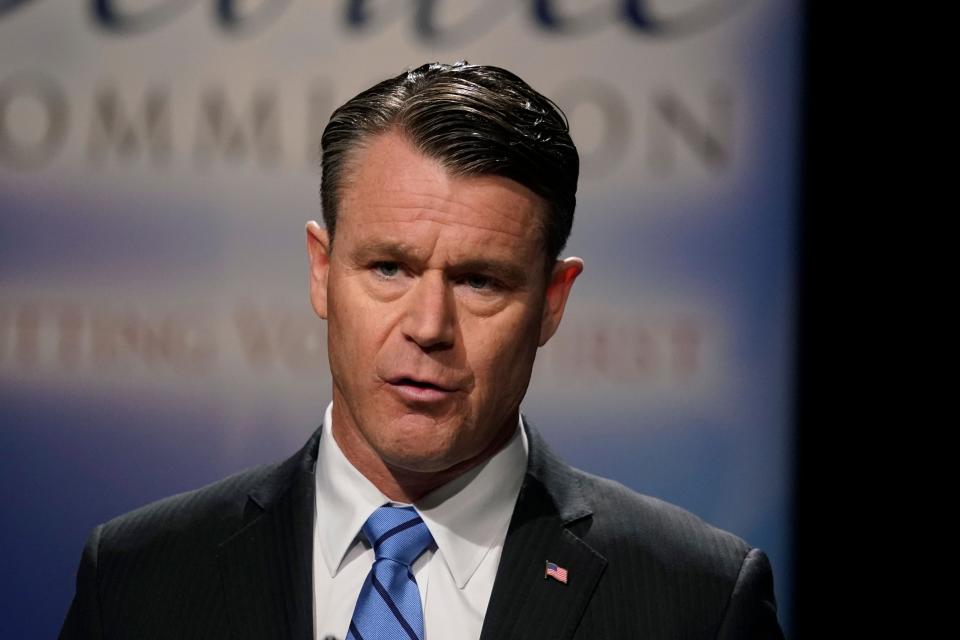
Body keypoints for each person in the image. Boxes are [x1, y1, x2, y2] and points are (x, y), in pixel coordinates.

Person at [60, 61, 785, 640]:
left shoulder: (696, 598)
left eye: (479, 281)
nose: (428, 325)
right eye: (389, 268)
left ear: (552, 302)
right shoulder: (137, 577)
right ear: (321, 270)